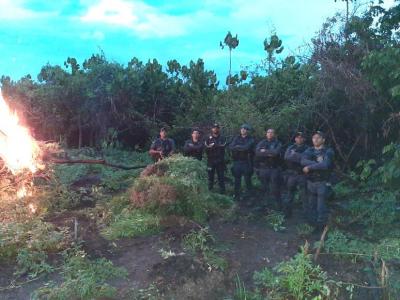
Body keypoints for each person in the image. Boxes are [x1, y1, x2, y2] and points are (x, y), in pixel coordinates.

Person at [301, 131, 334, 229]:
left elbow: (325, 165)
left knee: (321, 206)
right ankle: (313, 226)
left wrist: (310, 167)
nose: (315, 139)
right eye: (314, 137)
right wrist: (316, 164)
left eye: (318, 138)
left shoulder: (328, 151)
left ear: (323, 140)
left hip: (323, 182)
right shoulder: (309, 150)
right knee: (311, 205)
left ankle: (321, 227)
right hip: (311, 182)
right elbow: (303, 161)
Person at [255, 128, 282, 210]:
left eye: (272, 132)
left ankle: (277, 206)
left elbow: (276, 153)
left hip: (274, 169)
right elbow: (257, 152)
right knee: (264, 187)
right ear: (266, 134)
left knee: (275, 188)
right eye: (268, 132)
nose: (270, 134)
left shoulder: (278, 143)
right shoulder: (262, 142)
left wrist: (264, 151)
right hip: (263, 168)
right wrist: (269, 152)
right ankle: (264, 205)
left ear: (274, 134)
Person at [283, 132, 308, 218]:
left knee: (304, 195)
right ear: (295, 139)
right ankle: (287, 214)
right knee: (289, 194)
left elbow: (306, 159)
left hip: (302, 175)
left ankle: (306, 216)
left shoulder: (307, 148)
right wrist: (299, 158)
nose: (299, 139)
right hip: (292, 175)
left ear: (304, 139)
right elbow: (286, 157)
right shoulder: (291, 147)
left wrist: (294, 155)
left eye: (301, 137)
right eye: (297, 137)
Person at [230, 124, 255, 201]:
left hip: (246, 162)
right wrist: (240, 147)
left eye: (245, 129)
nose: (243, 130)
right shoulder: (236, 138)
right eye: (242, 129)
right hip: (237, 161)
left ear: (247, 131)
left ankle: (250, 196)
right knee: (237, 180)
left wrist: (237, 147)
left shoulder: (251, 139)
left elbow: (246, 148)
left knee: (247, 180)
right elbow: (231, 147)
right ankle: (237, 196)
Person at [204, 123, 226, 193]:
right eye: (214, 128)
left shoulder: (222, 138)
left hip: (220, 161)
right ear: (212, 129)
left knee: (221, 177)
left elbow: (225, 147)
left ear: (219, 129)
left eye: (216, 128)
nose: (215, 129)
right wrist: (209, 147)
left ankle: (223, 193)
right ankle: (209, 192)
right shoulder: (207, 138)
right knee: (210, 177)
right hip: (210, 161)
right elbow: (205, 148)